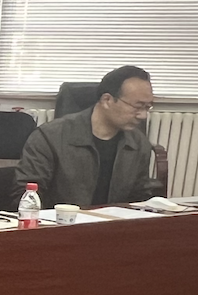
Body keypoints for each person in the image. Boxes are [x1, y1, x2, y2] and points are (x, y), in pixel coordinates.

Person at [12, 65, 161, 207]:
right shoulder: (50, 137)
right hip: (60, 222)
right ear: (107, 100)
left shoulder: (138, 143)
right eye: (137, 106)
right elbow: (27, 197)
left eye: (147, 107)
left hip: (114, 222)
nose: (143, 115)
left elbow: (139, 198)